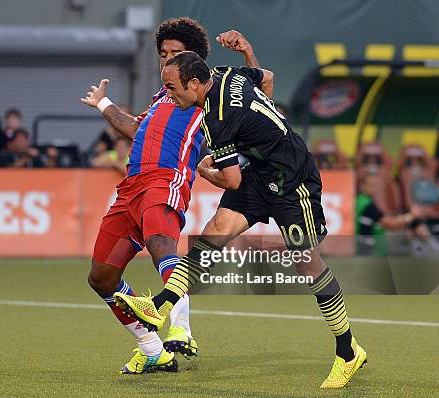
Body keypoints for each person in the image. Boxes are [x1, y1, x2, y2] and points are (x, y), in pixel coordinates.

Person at [114, 51, 368, 389]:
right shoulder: (225, 73)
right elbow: (267, 78)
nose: (168, 95)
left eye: (172, 88)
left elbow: (231, 180)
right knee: (214, 233)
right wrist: (248, 52)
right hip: (260, 175)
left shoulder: (219, 117)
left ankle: (348, 351)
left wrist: (205, 172)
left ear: (193, 83)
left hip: (293, 182)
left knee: (308, 264)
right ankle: (160, 306)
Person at [81, 17, 260, 374]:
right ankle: (152, 349)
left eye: (175, 53)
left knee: (162, 244)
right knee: (101, 276)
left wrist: (248, 56)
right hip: (130, 188)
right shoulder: (164, 96)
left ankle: (181, 328)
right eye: (163, 53)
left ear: (195, 64)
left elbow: (256, 90)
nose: (166, 60)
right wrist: (104, 105)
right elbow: (135, 127)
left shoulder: (208, 92)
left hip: (167, 179)